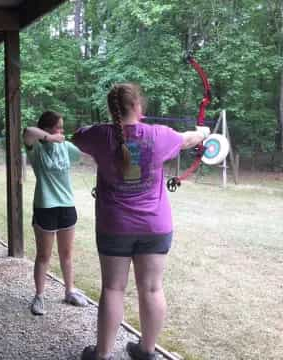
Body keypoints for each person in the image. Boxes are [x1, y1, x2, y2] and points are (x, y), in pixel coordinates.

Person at [73, 83, 210, 360]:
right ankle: (146, 352)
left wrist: (104, 128)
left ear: (111, 108)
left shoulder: (100, 135)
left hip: (115, 226)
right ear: (137, 106)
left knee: (113, 287)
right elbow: (188, 139)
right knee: (152, 288)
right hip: (154, 226)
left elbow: (76, 137)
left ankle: (101, 355)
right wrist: (203, 132)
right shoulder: (160, 135)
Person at [23, 111, 89, 316]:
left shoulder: (66, 147)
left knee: (67, 253)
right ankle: (39, 296)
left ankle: (69, 291)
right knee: (44, 255)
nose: (61, 131)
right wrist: (49, 138)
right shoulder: (36, 148)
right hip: (45, 206)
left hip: (67, 206)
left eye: (62, 128)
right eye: (57, 128)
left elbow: (87, 155)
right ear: (47, 129)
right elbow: (28, 132)